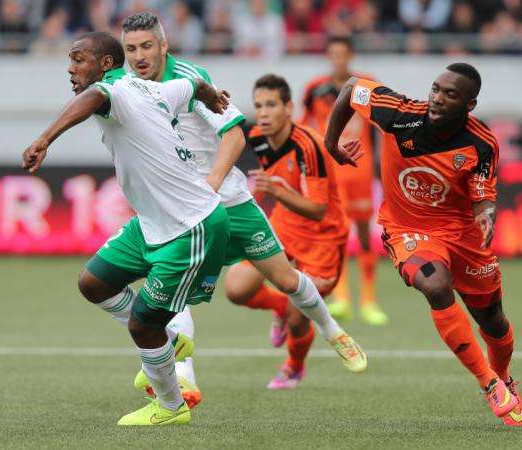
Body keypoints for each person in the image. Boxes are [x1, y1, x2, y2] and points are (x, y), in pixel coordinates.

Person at [122, 12, 367, 396]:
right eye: (131, 49)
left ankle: (333, 332)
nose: (139, 56)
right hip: (181, 213)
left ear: (164, 45)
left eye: (146, 46)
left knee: (285, 279)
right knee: (174, 289)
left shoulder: (189, 78)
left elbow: (235, 133)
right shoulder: (130, 88)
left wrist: (212, 183)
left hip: (229, 201)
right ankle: (183, 379)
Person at [22, 31, 232, 426]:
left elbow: (93, 98)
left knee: (142, 324)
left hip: (191, 226)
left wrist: (44, 137)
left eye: (78, 58)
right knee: (93, 284)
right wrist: (211, 96)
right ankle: (168, 342)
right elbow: (194, 85)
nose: (70, 67)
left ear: (104, 64)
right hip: (151, 223)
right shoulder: (154, 89)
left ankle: (171, 407)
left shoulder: (112, 91)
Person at [323, 62, 522, 427]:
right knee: (435, 283)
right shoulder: (399, 114)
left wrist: (486, 215)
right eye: (436, 89)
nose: (437, 98)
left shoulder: (481, 143)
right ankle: (488, 382)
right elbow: (351, 88)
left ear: (470, 105)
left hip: (462, 233)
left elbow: (483, 195)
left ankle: (504, 376)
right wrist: (330, 142)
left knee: (493, 321)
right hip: (407, 228)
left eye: (450, 94)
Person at [226, 73, 364, 389]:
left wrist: (274, 190)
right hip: (284, 227)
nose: (263, 112)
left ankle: (293, 367)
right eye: (259, 105)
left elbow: (317, 210)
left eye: (271, 104)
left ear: (288, 108)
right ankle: (279, 308)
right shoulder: (257, 135)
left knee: (298, 315)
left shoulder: (308, 146)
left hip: (323, 238)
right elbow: (271, 175)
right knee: (236, 289)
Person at [301, 35, 388, 325]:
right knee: (335, 233)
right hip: (332, 173)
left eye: (343, 53)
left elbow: (382, 127)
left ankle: (369, 300)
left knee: (364, 233)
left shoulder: (366, 85)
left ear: (350, 55)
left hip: (360, 170)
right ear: (328, 56)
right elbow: (305, 126)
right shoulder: (315, 88)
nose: (338, 59)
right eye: (333, 53)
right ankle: (341, 297)